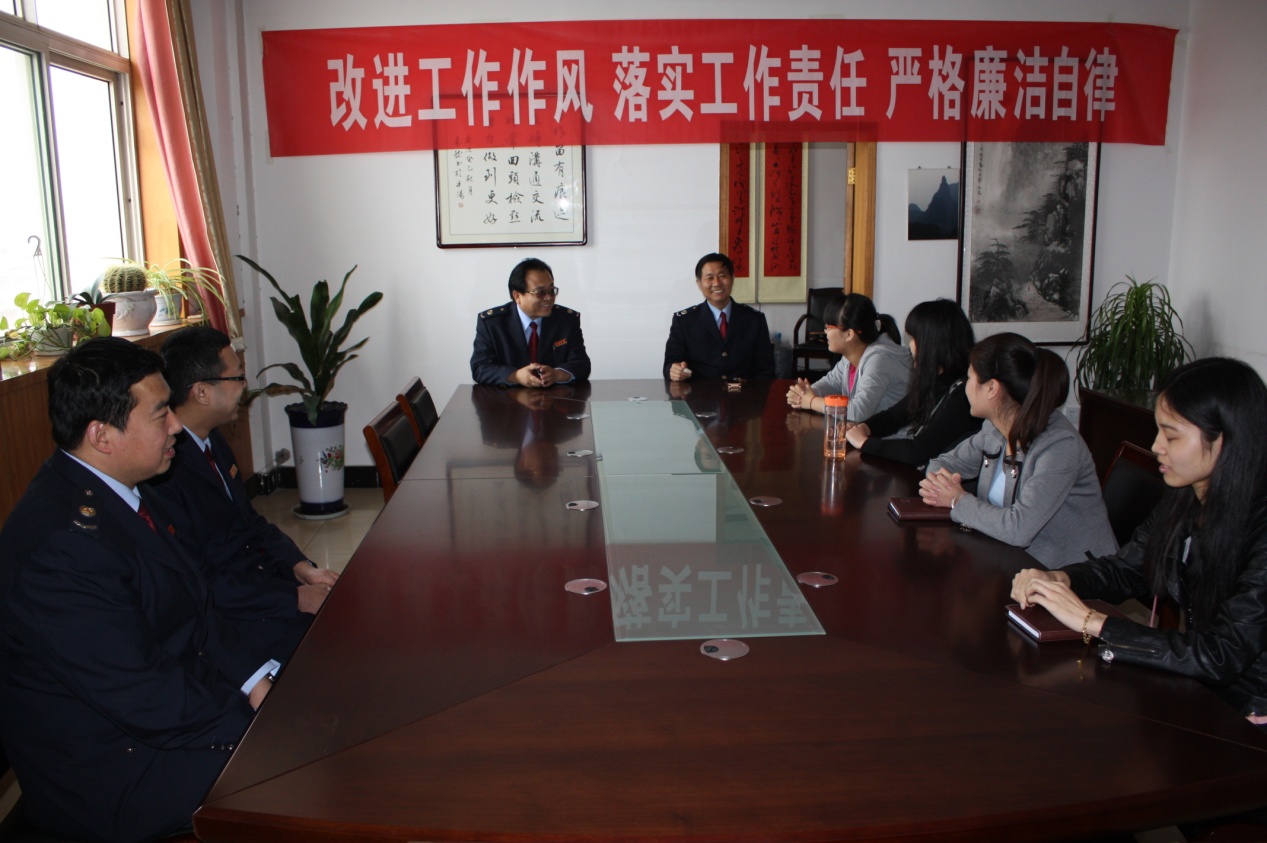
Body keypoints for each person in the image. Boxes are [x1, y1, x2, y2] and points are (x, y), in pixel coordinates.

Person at [0, 338, 277, 842]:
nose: (174, 425)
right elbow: (145, 696)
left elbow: (197, 608)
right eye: (159, 413)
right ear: (102, 435)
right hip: (113, 773)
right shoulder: (60, 549)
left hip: (161, 719)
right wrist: (257, 724)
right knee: (301, 775)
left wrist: (258, 682)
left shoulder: (126, 489)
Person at [1011, 358, 1267, 722]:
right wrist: (1060, 579)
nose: (1157, 446)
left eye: (1172, 436)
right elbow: (1128, 568)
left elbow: (1221, 653)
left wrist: (1092, 621)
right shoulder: (1186, 497)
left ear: (1223, 441)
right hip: (1205, 691)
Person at [150, 326, 338, 656]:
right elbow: (200, 580)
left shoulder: (211, 439)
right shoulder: (164, 471)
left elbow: (250, 523)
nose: (244, 386)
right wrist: (293, 598)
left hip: (262, 585)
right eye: (237, 377)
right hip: (233, 617)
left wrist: (303, 569)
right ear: (201, 392)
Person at [919, 332, 1116, 568]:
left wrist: (956, 500)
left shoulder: (1059, 445)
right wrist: (941, 484)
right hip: (1008, 561)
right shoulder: (993, 429)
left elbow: (1018, 529)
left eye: (969, 377)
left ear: (991, 388)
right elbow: (942, 463)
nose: (965, 387)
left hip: (1072, 574)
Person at [844, 298, 979, 467]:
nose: (910, 346)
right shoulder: (936, 381)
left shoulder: (963, 394)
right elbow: (893, 417)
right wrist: (864, 428)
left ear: (932, 343)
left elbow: (917, 451)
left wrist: (864, 442)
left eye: (914, 339)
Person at [786, 292, 911, 421]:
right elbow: (831, 383)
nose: (825, 331)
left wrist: (812, 401)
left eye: (829, 327)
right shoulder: (849, 358)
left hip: (892, 434)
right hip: (865, 431)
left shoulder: (880, 359)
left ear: (849, 334)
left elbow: (857, 411)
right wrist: (804, 393)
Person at [471, 257, 590, 387]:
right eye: (540, 292)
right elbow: (480, 368)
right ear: (517, 296)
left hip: (556, 397)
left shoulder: (566, 321)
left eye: (551, 290)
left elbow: (582, 363)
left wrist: (557, 374)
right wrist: (515, 376)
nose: (549, 298)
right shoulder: (492, 324)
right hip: (507, 398)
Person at [663, 252, 775, 382]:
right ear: (699, 283)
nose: (716, 283)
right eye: (709, 278)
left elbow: (766, 371)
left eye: (722, 276)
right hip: (699, 393)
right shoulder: (684, 321)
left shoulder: (754, 320)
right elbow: (670, 365)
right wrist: (674, 370)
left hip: (743, 393)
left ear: (732, 279)